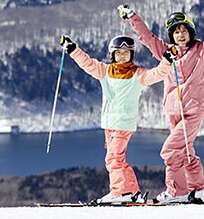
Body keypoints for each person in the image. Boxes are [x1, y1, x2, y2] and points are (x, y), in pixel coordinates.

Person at [118, 5, 204, 204]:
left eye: (183, 30)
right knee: (186, 153)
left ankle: (177, 192)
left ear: (190, 32)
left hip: (193, 111)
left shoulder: (201, 51)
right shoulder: (166, 52)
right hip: (173, 110)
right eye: (175, 31)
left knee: (170, 151)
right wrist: (132, 17)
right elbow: (147, 38)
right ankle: (197, 190)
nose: (180, 34)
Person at [59, 34, 172, 205]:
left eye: (126, 53)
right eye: (118, 53)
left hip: (124, 123)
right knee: (119, 160)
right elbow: (87, 63)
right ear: (112, 54)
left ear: (131, 54)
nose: (122, 56)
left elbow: (157, 74)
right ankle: (132, 192)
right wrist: (72, 49)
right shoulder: (105, 71)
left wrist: (167, 61)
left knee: (112, 159)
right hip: (109, 124)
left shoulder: (137, 74)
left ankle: (119, 192)